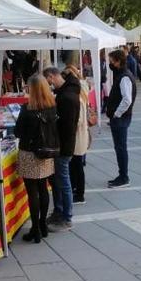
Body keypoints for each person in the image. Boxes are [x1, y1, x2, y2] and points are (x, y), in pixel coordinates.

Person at [14, 75, 58, 243]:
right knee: (43, 188)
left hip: (29, 152)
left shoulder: (27, 109)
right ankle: (42, 225)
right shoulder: (52, 107)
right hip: (46, 153)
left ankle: (35, 229)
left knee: (32, 192)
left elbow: (18, 132)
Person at [43, 67, 80, 231]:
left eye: (48, 81)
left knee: (64, 181)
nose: (48, 85)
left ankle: (67, 217)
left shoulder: (67, 97)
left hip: (63, 147)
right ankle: (59, 211)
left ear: (51, 77)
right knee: (58, 180)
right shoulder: (66, 92)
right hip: (62, 145)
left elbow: (66, 126)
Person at [106, 49, 136, 188]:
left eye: (111, 61)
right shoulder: (122, 75)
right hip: (120, 118)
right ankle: (122, 175)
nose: (110, 64)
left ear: (118, 61)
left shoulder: (124, 77)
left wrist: (117, 114)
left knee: (121, 148)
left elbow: (127, 99)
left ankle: (124, 177)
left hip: (121, 118)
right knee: (119, 147)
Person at [64, 66, 91, 204]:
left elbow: (78, 120)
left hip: (78, 137)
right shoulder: (81, 93)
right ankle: (77, 190)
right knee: (76, 165)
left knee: (77, 165)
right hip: (79, 136)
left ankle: (79, 194)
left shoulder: (79, 98)